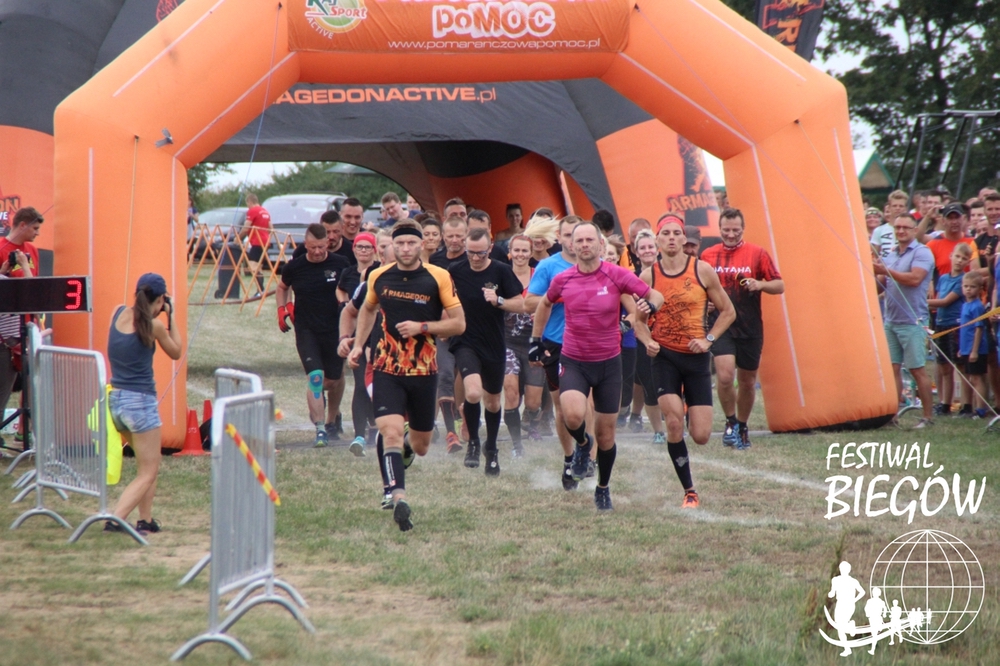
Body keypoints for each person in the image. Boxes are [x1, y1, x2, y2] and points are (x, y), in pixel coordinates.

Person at [530, 222, 663, 512]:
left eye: (590, 240)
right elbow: (544, 304)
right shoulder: (563, 278)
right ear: (571, 245)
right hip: (574, 360)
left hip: (609, 363)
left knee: (605, 436)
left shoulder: (616, 274)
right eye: (579, 241)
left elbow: (655, 296)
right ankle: (581, 445)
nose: (585, 245)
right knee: (572, 414)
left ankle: (603, 488)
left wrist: (649, 308)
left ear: (600, 245)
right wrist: (535, 340)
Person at [349, 220, 466, 531]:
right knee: (389, 432)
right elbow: (367, 309)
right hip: (386, 368)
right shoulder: (378, 276)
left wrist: (422, 327)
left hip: (424, 372)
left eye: (411, 243)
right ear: (392, 246)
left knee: (421, 445)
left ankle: (405, 448)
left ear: (421, 245)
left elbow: (458, 323)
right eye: (399, 243)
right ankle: (398, 497)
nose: (404, 249)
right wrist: (358, 345)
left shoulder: (438, 277)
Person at [635, 215, 734, 508]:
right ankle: (690, 491)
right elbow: (638, 321)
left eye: (676, 233)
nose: (671, 238)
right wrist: (648, 341)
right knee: (674, 424)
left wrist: (709, 340)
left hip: (696, 359)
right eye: (665, 233)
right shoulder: (648, 277)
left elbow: (728, 311)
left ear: (683, 239)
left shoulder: (702, 270)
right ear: (657, 239)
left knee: (701, 436)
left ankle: (689, 406)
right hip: (664, 357)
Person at [105, 273, 182, 535]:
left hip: (116, 401)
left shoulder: (117, 313)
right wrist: (171, 317)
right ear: (160, 300)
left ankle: (145, 520)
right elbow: (176, 351)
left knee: (148, 462)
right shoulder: (154, 326)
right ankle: (115, 519)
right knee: (148, 470)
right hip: (140, 403)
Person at [700, 208, 784, 449]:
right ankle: (730, 422)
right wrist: (704, 303)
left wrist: (760, 284)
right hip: (720, 324)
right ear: (719, 229)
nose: (731, 234)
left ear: (743, 229)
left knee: (747, 382)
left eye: (736, 230)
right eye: (726, 230)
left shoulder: (757, 253)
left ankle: (743, 425)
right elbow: (699, 287)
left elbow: (780, 285)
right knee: (725, 376)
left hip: (750, 326)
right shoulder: (707, 255)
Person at [449, 227, 524, 474]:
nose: (475, 258)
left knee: (492, 402)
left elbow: (521, 304)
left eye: (480, 253)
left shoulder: (501, 271)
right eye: (470, 252)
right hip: (465, 341)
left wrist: (499, 300)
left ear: (490, 248)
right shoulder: (455, 271)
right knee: (472, 393)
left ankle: (491, 449)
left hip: (493, 343)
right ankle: (473, 443)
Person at [276, 223, 351, 447]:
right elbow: (282, 287)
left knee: (333, 380)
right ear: (305, 245)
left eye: (321, 247)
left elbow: (350, 290)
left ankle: (331, 415)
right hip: (306, 329)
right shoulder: (295, 266)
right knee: (316, 377)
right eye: (312, 248)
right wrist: (283, 309)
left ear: (327, 243)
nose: (317, 252)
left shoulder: (341, 263)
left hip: (334, 329)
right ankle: (320, 429)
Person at [525, 216, 582, 490]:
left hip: (590, 342)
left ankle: (588, 457)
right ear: (559, 237)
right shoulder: (548, 266)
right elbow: (529, 303)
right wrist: (561, 295)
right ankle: (569, 458)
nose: (573, 241)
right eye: (568, 235)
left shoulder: (598, 265)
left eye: (578, 235)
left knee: (588, 406)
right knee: (563, 409)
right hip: (556, 343)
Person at [872, 213, 935, 428]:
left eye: (905, 228)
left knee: (917, 369)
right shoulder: (891, 255)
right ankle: (892, 415)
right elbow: (880, 285)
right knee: (893, 368)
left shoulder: (922, 252)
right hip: (891, 320)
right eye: (897, 227)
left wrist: (885, 270)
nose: (900, 231)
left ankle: (928, 417)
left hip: (913, 320)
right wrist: (872, 272)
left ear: (915, 230)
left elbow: (915, 279)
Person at [503, 234, 545, 447]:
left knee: (533, 401)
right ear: (510, 252)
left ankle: (532, 424)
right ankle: (516, 442)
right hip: (507, 342)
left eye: (524, 250)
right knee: (511, 391)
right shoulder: (502, 274)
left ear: (531, 253)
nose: (520, 254)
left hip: (534, 342)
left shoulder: (539, 275)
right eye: (516, 250)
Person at [625, 230, 666, 442]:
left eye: (651, 246)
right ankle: (658, 431)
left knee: (670, 383)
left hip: (668, 334)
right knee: (649, 384)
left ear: (658, 249)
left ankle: (675, 424)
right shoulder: (630, 278)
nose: (647, 250)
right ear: (636, 252)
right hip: (642, 336)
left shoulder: (669, 273)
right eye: (643, 247)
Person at [927, 244, 970, 416]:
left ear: (968, 262)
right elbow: (938, 301)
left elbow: (945, 302)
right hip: (941, 323)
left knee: (961, 366)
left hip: (956, 325)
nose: (959, 261)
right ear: (951, 256)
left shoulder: (963, 280)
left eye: (964, 259)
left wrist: (921, 302)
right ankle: (945, 403)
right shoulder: (943, 278)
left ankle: (967, 404)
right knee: (944, 367)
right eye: (957, 256)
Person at [957, 272, 990, 418]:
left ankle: (981, 409)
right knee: (971, 377)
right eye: (966, 286)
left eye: (972, 286)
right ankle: (972, 407)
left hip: (977, 349)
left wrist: (974, 350)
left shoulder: (977, 307)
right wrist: (962, 348)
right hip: (966, 348)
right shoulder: (965, 305)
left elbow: (978, 329)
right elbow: (965, 329)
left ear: (980, 289)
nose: (968, 289)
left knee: (977, 378)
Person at [827, 561, 866, 656]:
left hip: (847, 604)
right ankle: (847, 648)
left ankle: (850, 625)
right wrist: (830, 594)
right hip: (841, 604)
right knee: (839, 627)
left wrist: (854, 600)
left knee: (841, 626)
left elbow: (862, 592)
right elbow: (832, 592)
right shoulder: (836, 580)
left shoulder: (851, 581)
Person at [239, 193, 272, 295]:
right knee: (258, 266)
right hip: (266, 241)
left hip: (257, 241)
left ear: (250, 202)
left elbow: (246, 228)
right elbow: (271, 228)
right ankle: (260, 289)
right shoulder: (265, 211)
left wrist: (237, 238)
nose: (248, 206)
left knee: (253, 266)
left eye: (247, 204)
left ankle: (261, 289)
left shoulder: (252, 211)